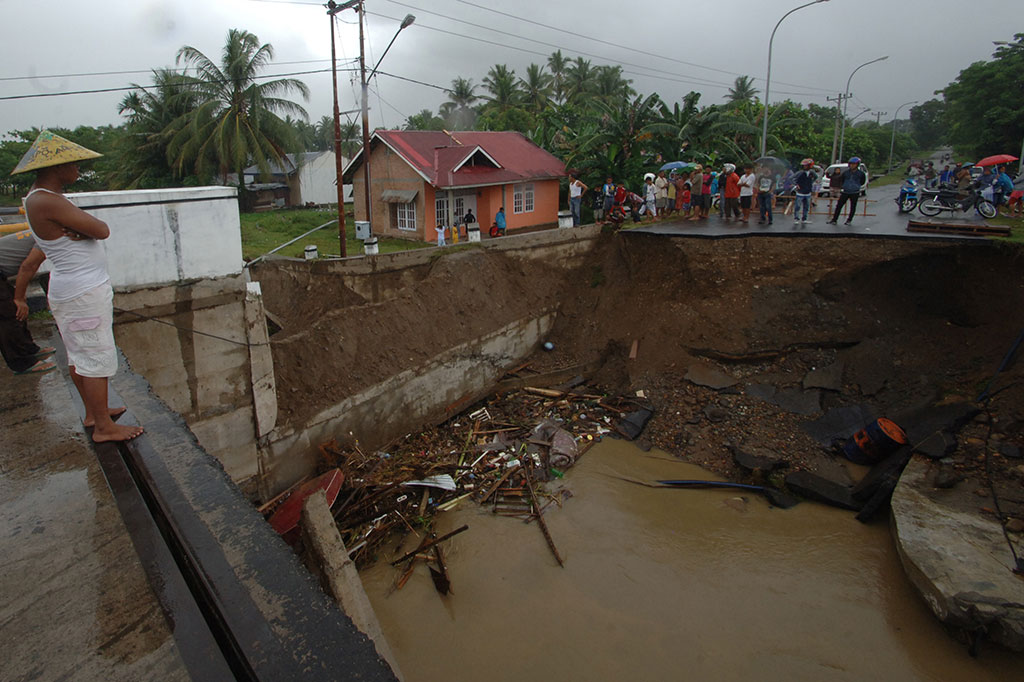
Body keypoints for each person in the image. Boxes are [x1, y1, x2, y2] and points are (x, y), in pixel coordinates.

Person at [12, 130, 142, 442]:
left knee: (79, 356)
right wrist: (85, 229)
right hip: (82, 293)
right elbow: (101, 229)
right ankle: (104, 428)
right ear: (58, 167)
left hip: (73, 290)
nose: (77, 171)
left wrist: (81, 230)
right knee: (95, 358)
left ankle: (93, 414)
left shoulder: (39, 199)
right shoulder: (46, 200)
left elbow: (85, 232)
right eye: (74, 165)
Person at [0, 230, 56, 374]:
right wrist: (19, 298)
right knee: (7, 315)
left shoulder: (45, 232)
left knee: (16, 310)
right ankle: (22, 363)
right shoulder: (48, 235)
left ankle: (29, 349)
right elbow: (28, 267)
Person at [827, 156, 867, 225]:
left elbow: (862, 181)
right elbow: (842, 180)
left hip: (855, 192)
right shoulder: (846, 173)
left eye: (853, 164)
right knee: (839, 206)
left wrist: (856, 186)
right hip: (845, 191)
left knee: (853, 207)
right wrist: (844, 186)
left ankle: (849, 220)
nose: (852, 165)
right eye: (851, 164)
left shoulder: (861, 173)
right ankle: (834, 219)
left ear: (857, 165)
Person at [792, 158, 817, 225]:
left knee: (806, 206)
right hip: (800, 192)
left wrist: (811, 183)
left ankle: (804, 219)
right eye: (804, 166)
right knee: (798, 206)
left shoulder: (812, 173)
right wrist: (796, 185)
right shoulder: (800, 172)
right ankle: (796, 218)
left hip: (808, 192)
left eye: (806, 165)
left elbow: (816, 177)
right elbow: (792, 178)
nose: (805, 167)